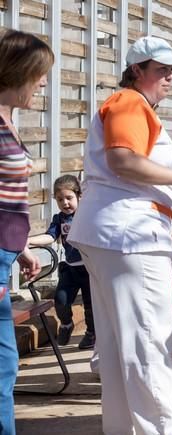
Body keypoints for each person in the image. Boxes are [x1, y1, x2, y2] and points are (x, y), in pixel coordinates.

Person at [67, 36, 172, 434]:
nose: (170, 77)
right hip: (130, 236)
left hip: (115, 235)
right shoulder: (129, 102)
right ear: (136, 71)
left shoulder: (133, 105)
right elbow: (122, 159)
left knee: (119, 352)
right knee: (149, 347)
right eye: (161, 69)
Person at [0, 29, 50, 435]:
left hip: (6, 253)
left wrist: (22, 247)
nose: (44, 82)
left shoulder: (8, 118)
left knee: (5, 362)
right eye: (39, 74)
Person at [29, 175, 95, 349]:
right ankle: (66, 324)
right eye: (60, 199)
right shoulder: (59, 219)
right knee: (61, 300)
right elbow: (50, 237)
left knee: (91, 305)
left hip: (90, 269)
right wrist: (29, 241)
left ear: (79, 196)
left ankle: (91, 334)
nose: (65, 203)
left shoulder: (87, 215)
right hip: (71, 269)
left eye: (69, 198)